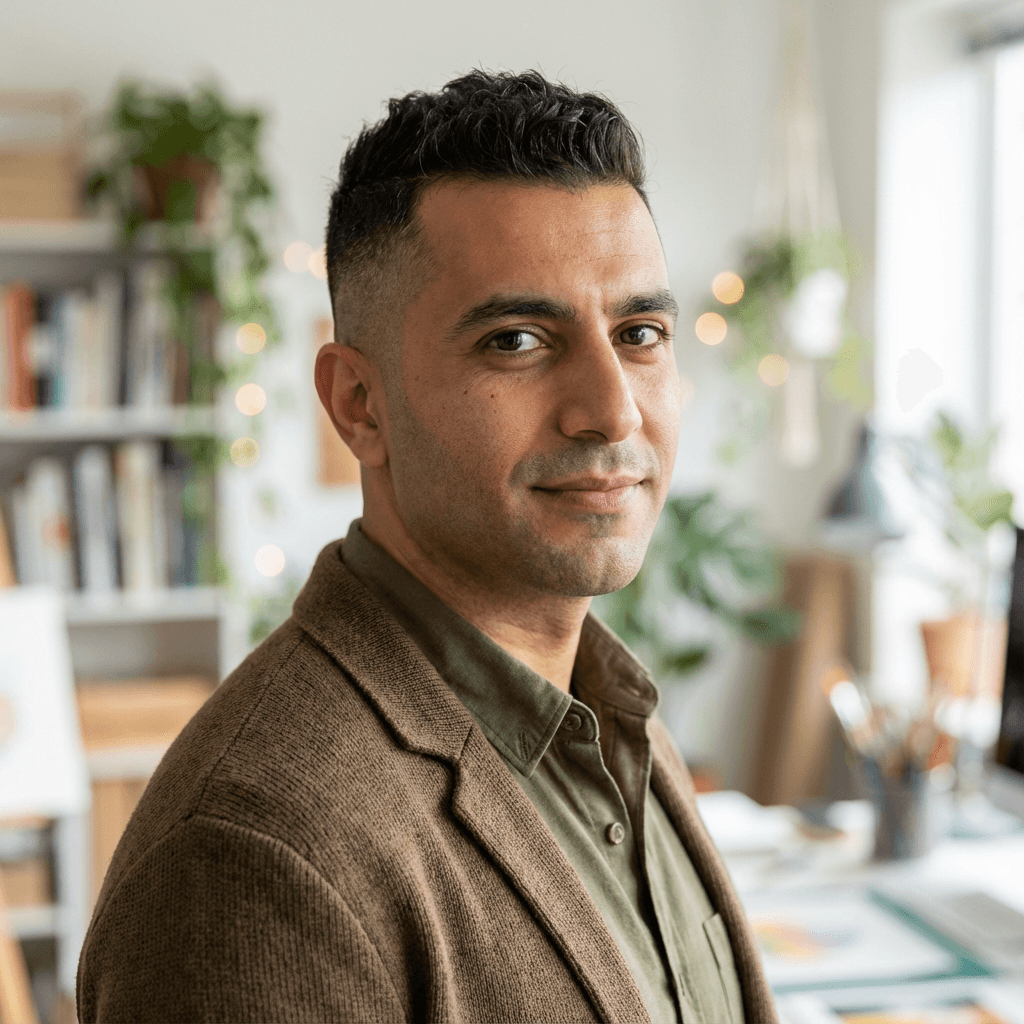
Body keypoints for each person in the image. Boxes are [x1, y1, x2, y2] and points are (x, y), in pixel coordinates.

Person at [77, 70, 777, 1024]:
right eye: (518, 341)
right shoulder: (253, 855)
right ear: (359, 406)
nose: (614, 408)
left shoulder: (614, 719)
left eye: (641, 331)